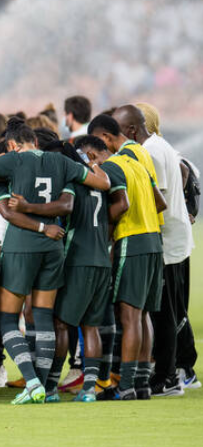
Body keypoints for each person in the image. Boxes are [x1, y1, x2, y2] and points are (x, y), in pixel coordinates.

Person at [0, 117, 111, 404]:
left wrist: (1, 157)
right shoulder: (62, 163)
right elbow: (102, 183)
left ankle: (31, 382)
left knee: (7, 320)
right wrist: (91, 164)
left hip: (21, 246)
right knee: (43, 318)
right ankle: (45, 387)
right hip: (53, 247)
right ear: (36, 140)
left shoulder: (14, 160)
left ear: (13, 144)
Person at [10, 137, 113, 403]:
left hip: (78, 259)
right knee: (91, 326)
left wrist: (27, 208)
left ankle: (52, 387)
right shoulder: (97, 182)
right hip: (103, 258)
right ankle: (90, 389)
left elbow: (63, 208)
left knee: (61, 324)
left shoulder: (71, 183)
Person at [82, 115, 167, 400]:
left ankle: (127, 385)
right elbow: (160, 202)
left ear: (94, 151)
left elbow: (120, 206)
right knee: (142, 314)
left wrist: (100, 229)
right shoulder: (138, 164)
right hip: (154, 240)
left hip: (133, 241)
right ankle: (141, 383)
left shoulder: (111, 167)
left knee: (128, 316)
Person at [113, 104, 193, 396]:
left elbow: (158, 199)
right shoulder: (160, 145)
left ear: (132, 130)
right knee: (163, 310)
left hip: (166, 240)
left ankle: (167, 377)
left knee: (164, 312)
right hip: (172, 236)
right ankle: (169, 372)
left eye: (118, 133)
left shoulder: (152, 151)